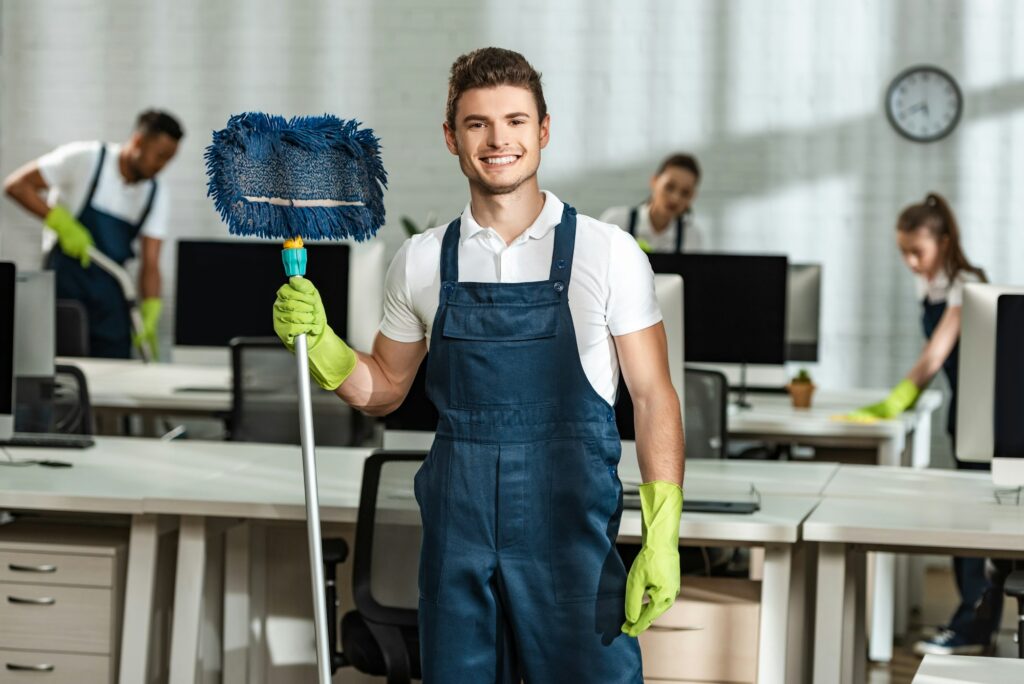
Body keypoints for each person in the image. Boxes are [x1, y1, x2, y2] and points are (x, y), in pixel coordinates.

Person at [273, 48, 684, 681]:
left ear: (543, 131)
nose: (499, 140)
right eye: (478, 124)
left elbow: (654, 397)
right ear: (452, 138)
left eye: (516, 121)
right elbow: (382, 389)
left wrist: (663, 533)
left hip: (569, 541)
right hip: (458, 535)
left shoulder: (609, 253)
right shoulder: (420, 260)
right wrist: (323, 344)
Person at [847, 192, 1002, 655]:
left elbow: (935, 355)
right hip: (967, 411)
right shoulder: (932, 283)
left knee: (977, 527)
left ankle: (972, 627)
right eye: (904, 252)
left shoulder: (964, 286)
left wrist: (896, 401)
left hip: (989, 418)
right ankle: (973, 623)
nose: (911, 262)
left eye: (918, 251)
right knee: (971, 523)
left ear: (945, 242)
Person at [3, 110, 183, 359]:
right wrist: (61, 222)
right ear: (138, 141)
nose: (161, 166)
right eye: (159, 156)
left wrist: (151, 308)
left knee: (115, 377)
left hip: (111, 298)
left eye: (169, 160)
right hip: (66, 291)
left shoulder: (156, 192)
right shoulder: (86, 159)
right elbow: (16, 186)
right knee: (62, 374)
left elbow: (151, 262)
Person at [600, 153, 703, 252]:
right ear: (654, 181)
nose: (675, 198)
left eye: (685, 193)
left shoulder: (691, 236)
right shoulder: (615, 223)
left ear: (693, 196)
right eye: (669, 187)